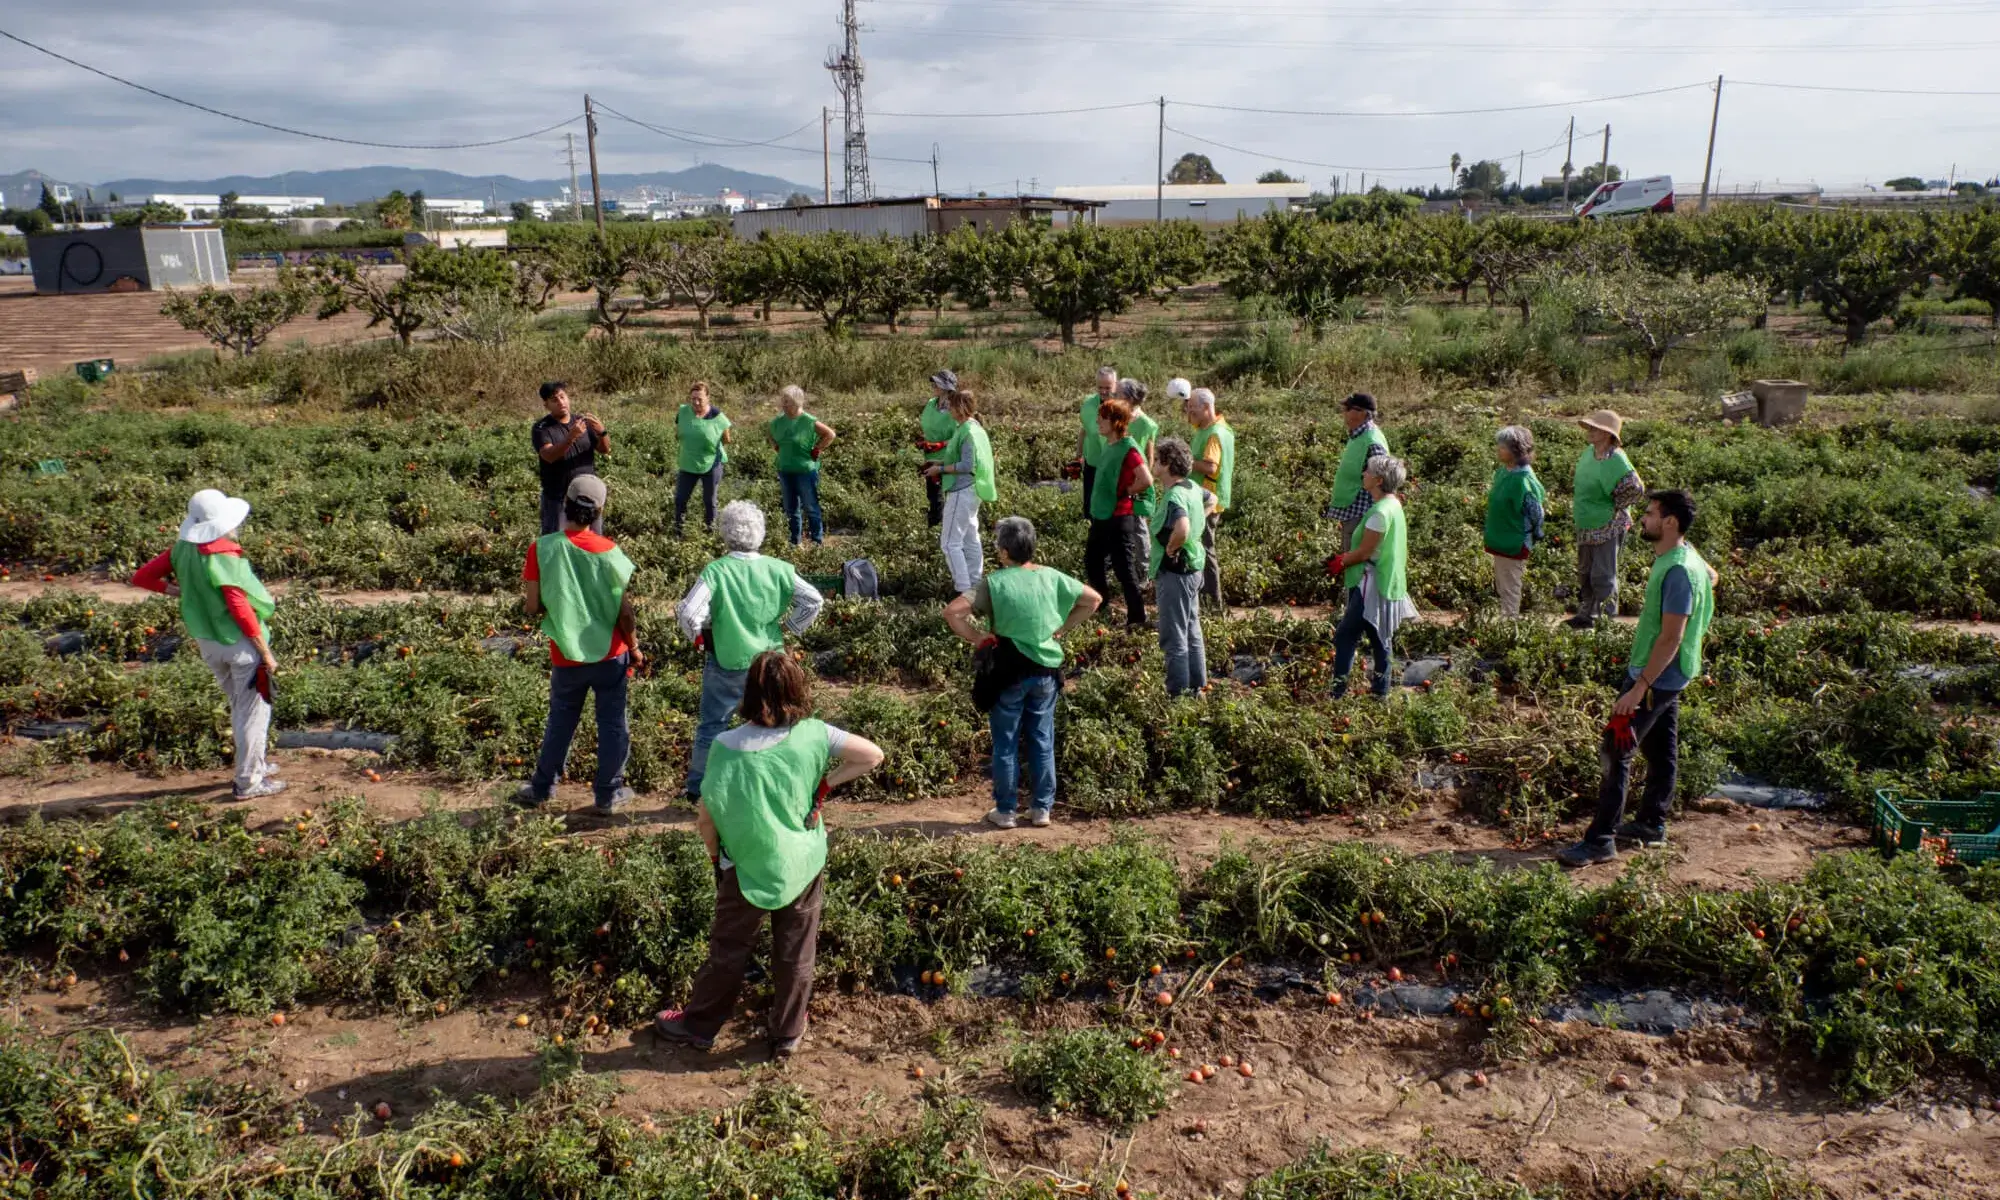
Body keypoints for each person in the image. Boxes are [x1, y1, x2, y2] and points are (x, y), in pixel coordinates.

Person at [653, 651, 884, 1057]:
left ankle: (700, 1027)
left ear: (749, 693)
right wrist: (824, 787)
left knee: (728, 950)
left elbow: (707, 816)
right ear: (797, 689)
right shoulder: (815, 733)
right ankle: (787, 1033)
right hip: (801, 861)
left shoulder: (727, 745)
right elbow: (872, 755)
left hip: (745, 865)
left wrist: (716, 861)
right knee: (796, 953)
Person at [1559, 489, 1716, 868]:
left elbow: (1671, 636)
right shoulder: (1686, 556)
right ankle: (1651, 822)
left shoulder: (1678, 570)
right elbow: (1713, 575)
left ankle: (1601, 839)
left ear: (1670, 522)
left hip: (1657, 676)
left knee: (1616, 751)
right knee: (1662, 749)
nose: (1642, 519)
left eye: (1650, 513)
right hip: (1673, 674)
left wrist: (1639, 688)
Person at [945, 516, 1102, 829]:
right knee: (1042, 739)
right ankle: (1041, 809)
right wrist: (1061, 628)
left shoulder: (995, 582)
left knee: (1005, 742)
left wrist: (977, 637)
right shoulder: (1051, 576)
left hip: (1008, 672)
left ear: (1004, 552)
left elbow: (952, 612)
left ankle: (1005, 811)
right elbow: (1093, 600)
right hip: (1046, 672)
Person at [131, 489, 282, 800]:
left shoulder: (182, 550)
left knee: (240, 707)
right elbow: (239, 605)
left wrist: (180, 592)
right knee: (253, 712)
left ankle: (255, 765)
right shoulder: (223, 555)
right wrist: (265, 652)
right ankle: (249, 781)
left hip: (209, 644)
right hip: (240, 646)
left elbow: (142, 577)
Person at [678, 501, 825, 797]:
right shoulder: (779, 568)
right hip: (771, 661)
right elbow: (814, 600)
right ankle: (778, 784)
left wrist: (698, 635)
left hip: (727, 660)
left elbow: (688, 613)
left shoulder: (717, 571)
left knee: (712, 725)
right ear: (760, 533)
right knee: (776, 721)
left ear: (726, 534)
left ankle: (698, 790)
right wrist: (789, 628)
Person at [517, 476, 641, 814]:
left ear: (566, 504)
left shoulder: (542, 548)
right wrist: (634, 645)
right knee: (613, 724)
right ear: (599, 511)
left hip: (566, 655)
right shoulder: (610, 552)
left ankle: (542, 789)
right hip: (610, 655)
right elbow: (624, 610)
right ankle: (607, 795)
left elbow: (532, 606)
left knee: (561, 721)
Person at [1326, 456, 1416, 700]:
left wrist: (1341, 561)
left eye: (1367, 471)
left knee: (1346, 636)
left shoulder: (1379, 513)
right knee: (1379, 637)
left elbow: (1365, 551)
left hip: (1372, 583)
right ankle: (1380, 693)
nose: (1363, 473)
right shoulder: (1393, 505)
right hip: (1386, 579)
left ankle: (1338, 692)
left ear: (1378, 480)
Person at [1084, 397, 1155, 629]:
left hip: (1118, 517)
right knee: (1093, 560)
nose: (1097, 422)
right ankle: (1102, 605)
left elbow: (1146, 479)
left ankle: (1137, 617)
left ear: (1116, 422)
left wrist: (1127, 491)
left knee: (1124, 570)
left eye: (1102, 418)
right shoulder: (1111, 445)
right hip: (1103, 515)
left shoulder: (1129, 448)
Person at [1570, 409, 1644, 629]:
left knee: (1603, 573)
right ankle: (1587, 613)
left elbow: (1635, 489)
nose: (1590, 431)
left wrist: (1614, 506)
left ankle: (1606, 621)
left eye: (1595, 428)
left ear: (1607, 433)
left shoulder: (1616, 459)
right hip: (1586, 521)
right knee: (1585, 571)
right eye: (1590, 427)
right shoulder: (1588, 453)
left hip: (1608, 524)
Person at [1149, 438, 1209, 697]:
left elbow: (1182, 528)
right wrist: (1200, 520)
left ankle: (1178, 694)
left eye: (1157, 459)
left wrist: (1173, 546)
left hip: (1176, 571)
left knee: (1174, 635)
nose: (1152, 463)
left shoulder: (1175, 495)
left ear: (1166, 465)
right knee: (1191, 628)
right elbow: (1212, 498)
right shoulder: (1192, 486)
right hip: (1194, 567)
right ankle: (1197, 686)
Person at [924, 388, 997, 595]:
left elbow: (966, 465)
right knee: (970, 537)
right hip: (973, 489)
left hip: (962, 490)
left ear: (960, 408)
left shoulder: (967, 432)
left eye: (951, 406)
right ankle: (975, 583)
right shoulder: (973, 427)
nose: (948, 410)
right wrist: (937, 462)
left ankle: (963, 590)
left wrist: (940, 469)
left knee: (949, 543)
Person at [1484, 425, 1547, 618]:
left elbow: (1537, 513)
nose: (1498, 450)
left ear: (1516, 451)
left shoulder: (1524, 480)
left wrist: (1535, 534)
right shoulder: (1504, 472)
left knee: (1510, 584)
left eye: (1503, 447)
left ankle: (1510, 624)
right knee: (1503, 583)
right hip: (1500, 537)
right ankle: (1506, 621)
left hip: (1514, 539)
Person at [532, 382, 609, 536]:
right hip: (558, 498)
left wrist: (603, 433)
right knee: (556, 542)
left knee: (592, 540)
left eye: (563, 397)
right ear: (546, 405)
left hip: (588, 496)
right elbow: (549, 456)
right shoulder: (542, 428)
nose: (561, 402)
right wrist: (570, 438)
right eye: (555, 400)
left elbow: (604, 449)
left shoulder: (582, 421)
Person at [1185, 386, 1235, 612]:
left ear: (1206, 407)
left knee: (1205, 549)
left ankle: (1213, 605)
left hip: (1207, 500)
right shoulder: (1220, 428)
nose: (1189, 412)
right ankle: (1207, 601)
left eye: (1193, 408)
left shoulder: (1214, 434)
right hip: (1210, 497)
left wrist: (1184, 462)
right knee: (1203, 547)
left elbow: (1210, 466)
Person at [767, 385, 836, 546]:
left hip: (805, 471)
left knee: (811, 507)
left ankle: (816, 543)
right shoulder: (778, 422)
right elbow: (770, 434)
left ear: (798, 402)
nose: (784, 405)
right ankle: (794, 543)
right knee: (791, 509)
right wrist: (775, 446)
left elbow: (830, 434)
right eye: (783, 402)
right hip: (785, 470)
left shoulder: (808, 421)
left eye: (788, 402)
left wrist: (817, 448)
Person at [1327, 392, 1389, 555]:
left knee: (1355, 560)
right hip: (1353, 510)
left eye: (1348, 409)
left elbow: (1381, 480)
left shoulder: (1372, 442)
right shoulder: (1359, 435)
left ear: (1362, 413)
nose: (1344, 413)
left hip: (1361, 515)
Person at [674, 381, 732, 535]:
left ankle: (710, 534)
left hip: (710, 464)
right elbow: (678, 433)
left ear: (708, 397)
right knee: (680, 500)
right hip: (688, 463)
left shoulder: (718, 417)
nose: (696, 402)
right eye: (693, 398)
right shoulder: (683, 412)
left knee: (709, 502)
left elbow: (727, 439)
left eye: (700, 398)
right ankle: (678, 533)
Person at [1072, 366, 1121, 509]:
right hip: (1093, 463)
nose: (1103, 391)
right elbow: (1084, 430)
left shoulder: (1121, 407)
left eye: (1108, 387)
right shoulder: (1088, 405)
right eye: (1100, 387)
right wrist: (1079, 454)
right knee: (1089, 505)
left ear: (1115, 385)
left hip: (1114, 468)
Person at [917, 369, 961, 527]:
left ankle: (947, 531)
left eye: (936, 383)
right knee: (933, 496)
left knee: (949, 498)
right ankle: (935, 531)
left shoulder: (955, 408)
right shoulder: (931, 403)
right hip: (930, 456)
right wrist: (924, 441)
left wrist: (941, 444)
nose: (933, 385)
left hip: (948, 459)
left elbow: (959, 436)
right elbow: (927, 426)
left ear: (945, 387)